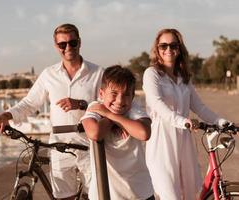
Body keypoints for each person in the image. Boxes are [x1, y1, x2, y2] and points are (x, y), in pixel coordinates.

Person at [0, 23, 104, 199]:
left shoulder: (98, 73)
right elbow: (30, 103)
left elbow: (106, 105)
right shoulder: (49, 74)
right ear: (56, 47)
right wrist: (6, 115)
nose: (68, 47)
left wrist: (82, 104)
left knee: (97, 195)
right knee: (63, 196)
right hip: (58, 144)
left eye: (72, 43)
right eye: (62, 44)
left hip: (89, 143)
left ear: (79, 42)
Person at [142, 28, 229, 200]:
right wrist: (183, 121)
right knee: (170, 196)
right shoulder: (152, 74)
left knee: (188, 195)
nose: (168, 49)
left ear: (179, 48)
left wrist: (223, 122)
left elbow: (200, 107)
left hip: (184, 141)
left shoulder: (184, 78)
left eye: (173, 45)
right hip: (162, 143)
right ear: (157, 49)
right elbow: (157, 104)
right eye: (163, 45)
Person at [81, 65, 155, 200]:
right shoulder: (95, 107)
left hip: (140, 192)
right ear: (101, 94)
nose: (120, 101)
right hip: (105, 193)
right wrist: (119, 120)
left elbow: (144, 133)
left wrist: (110, 115)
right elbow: (94, 133)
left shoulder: (134, 108)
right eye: (114, 94)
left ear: (132, 96)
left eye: (126, 94)